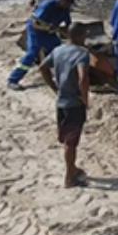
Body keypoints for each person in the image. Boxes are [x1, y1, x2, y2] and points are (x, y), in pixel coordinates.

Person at [38, 22, 91, 188]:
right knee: (71, 143)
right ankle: (70, 177)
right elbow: (83, 78)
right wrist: (84, 98)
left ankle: (73, 168)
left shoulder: (58, 50)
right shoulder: (82, 54)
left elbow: (42, 67)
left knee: (66, 138)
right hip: (74, 104)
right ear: (80, 36)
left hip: (61, 102)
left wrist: (54, 87)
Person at [8, 0, 75, 89]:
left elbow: (68, 26)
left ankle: (63, 77)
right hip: (36, 31)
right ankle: (13, 80)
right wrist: (48, 28)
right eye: (68, 4)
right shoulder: (47, 6)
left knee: (59, 51)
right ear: (62, 0)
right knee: (32, 53)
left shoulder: (65, 9)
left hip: (50, 32)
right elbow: (36, 23)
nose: (69, 6)